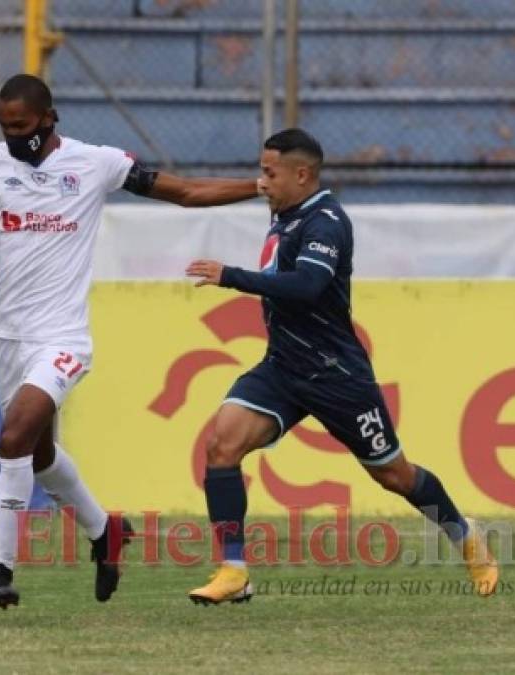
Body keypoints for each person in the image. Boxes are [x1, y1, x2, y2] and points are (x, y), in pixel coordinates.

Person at [0, 73, 259, 610]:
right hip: (5, 333)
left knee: (12, 438)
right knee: (39, 451)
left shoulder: (95, 163)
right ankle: (106, 533)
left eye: (21, 126)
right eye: (4, 127)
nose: (12, 136)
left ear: (49, 119)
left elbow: (185, 192)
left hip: (62, 336)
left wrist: (259, 188)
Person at [185, 128, 499, 605]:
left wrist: (230, 277)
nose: (262, 181)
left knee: (395, 475)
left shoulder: (327, 221)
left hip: (336, 375)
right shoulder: (285, 214)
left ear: (302, 174)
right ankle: (234, 571)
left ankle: (465, 537)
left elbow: (308, 285)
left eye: (270, 172)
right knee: (221, 446)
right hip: (283, 367)